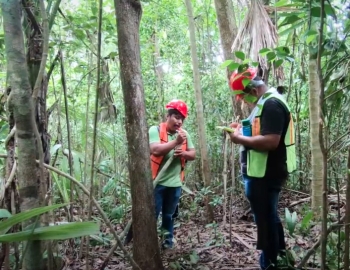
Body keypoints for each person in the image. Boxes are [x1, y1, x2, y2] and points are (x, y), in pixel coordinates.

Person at [228, 67, 297, 270]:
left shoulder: (272, 104)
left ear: (253, 89)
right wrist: (241, 130)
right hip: (260, 172)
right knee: (269, 218)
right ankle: (281, 258)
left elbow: (270, 141)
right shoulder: (265, 103)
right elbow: (260, 131)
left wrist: (238, 139)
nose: (243, 100)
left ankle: (270, 264)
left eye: (243, 95)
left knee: (266, 222)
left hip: (266, 174)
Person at [149, 99, 196, 250]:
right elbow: (155, 150)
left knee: (169, 216)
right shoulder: (155, 130)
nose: (179, 121)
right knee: (152, 215)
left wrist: (183, 153)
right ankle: (150, 244)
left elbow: (193, 154)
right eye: (176, 116)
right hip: (156, 183)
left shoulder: (184, 134)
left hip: (175, 184)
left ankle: (167, 242)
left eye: (181, 118)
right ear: (167, 116)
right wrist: (176, 142)